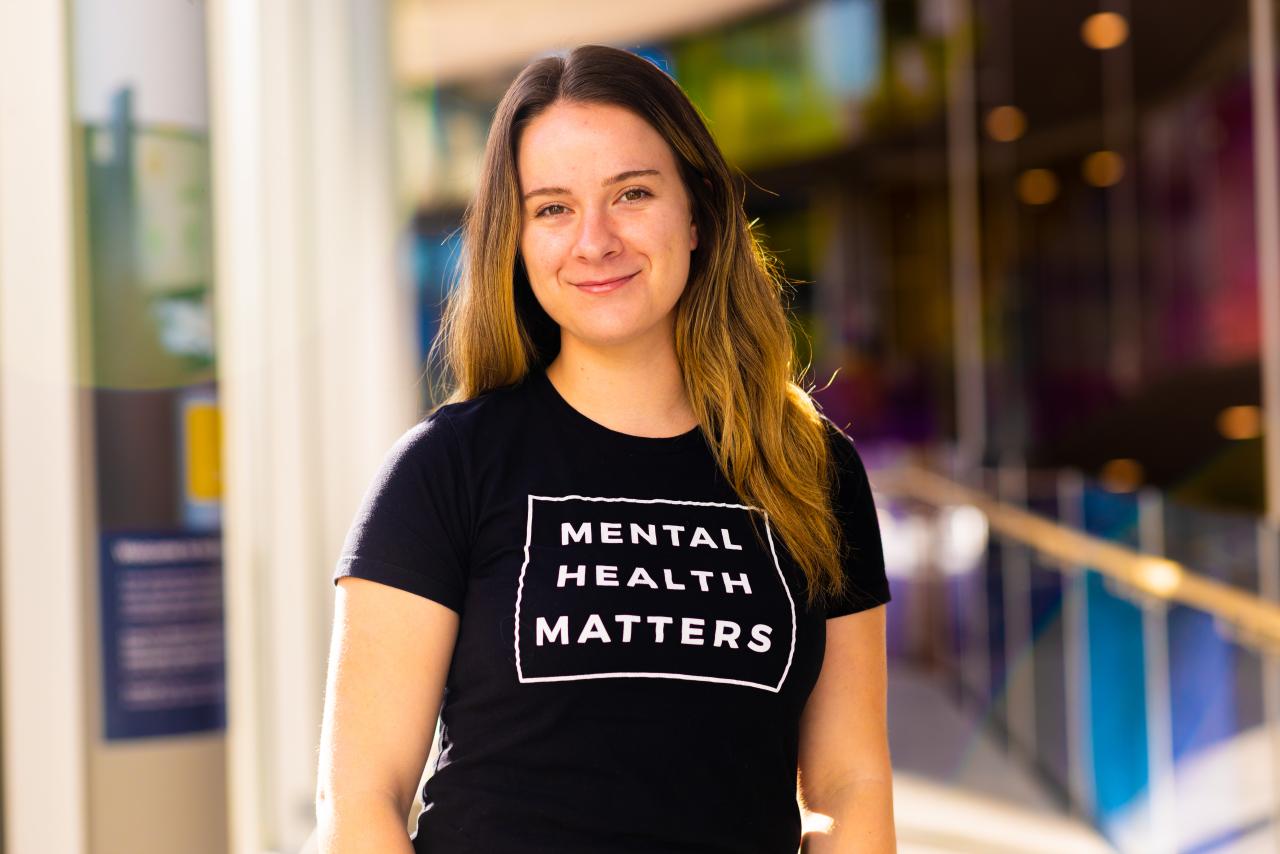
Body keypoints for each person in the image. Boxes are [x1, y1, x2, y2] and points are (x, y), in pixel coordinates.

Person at [315, 44, 895, 854]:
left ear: (696, 213)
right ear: (514, 240)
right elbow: (358, 802)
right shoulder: (445, 468)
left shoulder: (812, 469)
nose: (595, 240)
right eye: (552, 207)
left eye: (631, 194)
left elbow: (849, 784)